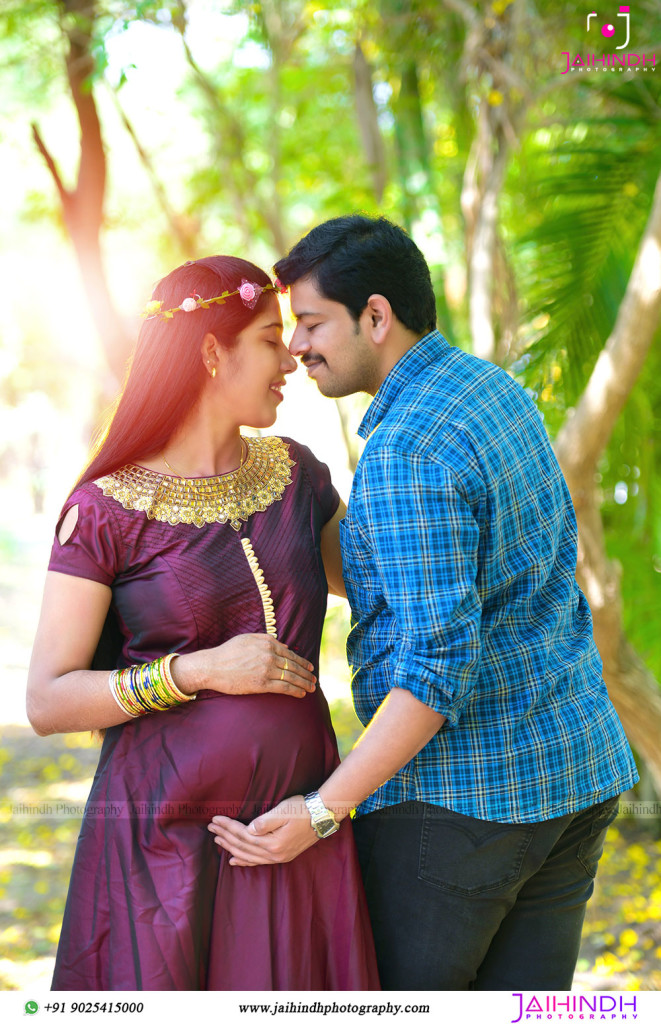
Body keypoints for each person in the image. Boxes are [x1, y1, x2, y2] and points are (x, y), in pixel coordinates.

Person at [208, 216, 640, 991]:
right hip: (573, 777)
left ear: (376, 316)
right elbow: (429, 577)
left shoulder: (407, 446)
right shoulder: (489, 389)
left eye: (311, 323)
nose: (299, 346)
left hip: (466, 805)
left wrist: (319, 811)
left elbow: (433, 669)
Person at [26, 255, 379, 991]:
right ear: (211, 352)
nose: (290, 359)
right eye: (268, 338)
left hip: (295, 823)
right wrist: (196, 670)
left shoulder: (296, 475)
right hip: (162, 840)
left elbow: (388, 591)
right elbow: (49, 700)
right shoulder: (104, 509)